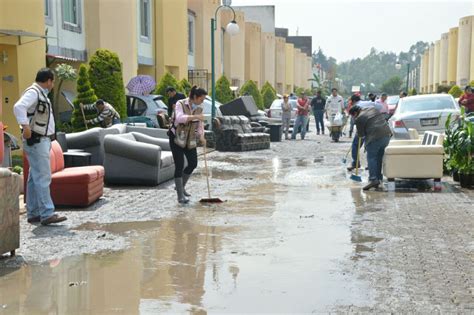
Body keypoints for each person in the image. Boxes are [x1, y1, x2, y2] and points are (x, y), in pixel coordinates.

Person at [13, 68, 67, 225]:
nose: (53, 84)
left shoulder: (39, 93)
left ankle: (34, 212)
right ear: (49, 81)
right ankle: (47, 213)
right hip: (37, 141)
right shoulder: (34, 92)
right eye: (53, 81)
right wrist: (26, 127)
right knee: (43, 177)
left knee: (33, 178)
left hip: (39, 141)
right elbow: (18, 107)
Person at [168, 86, 207, 204]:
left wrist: (201, 136)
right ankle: (180, 196)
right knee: (179, 165)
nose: (202, 102)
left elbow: (199, 125)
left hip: (190, 138)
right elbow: (179, 118)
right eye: (201, 99)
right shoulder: (180, 104)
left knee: (193, 163)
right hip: (177, 138)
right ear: (195, 97)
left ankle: (181, 187)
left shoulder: (199, 107)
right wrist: (194, 116)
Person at [349, 104, 392, 191]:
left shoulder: (359, 118)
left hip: (375, 137)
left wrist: (360, 128)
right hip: (386, 135)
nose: (353, 118)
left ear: (355, 113)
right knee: (379, 158)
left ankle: (373, 179)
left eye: (353, 116)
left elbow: (361, 135)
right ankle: (378, 178)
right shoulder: (373, 109)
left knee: (371, 157)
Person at [347, 94, 376, 172]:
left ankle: (356, 163)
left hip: (365, 127)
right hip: (374, 126)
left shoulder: (356, 106)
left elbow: (358, 120)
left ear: (353, 101)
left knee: (355, 145)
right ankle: (371, 166)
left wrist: (360, 131)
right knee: (370, 147)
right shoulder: (368, 102)